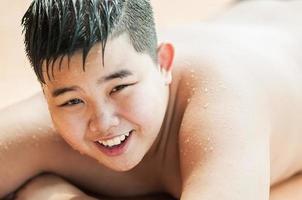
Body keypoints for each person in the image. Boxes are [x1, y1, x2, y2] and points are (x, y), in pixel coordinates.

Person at [1, 0, 302, 199]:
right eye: (72, 102)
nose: (103, 122)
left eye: (119, 88)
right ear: (46, 97)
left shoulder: (227, 106)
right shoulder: (57, 113)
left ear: (163, 63)